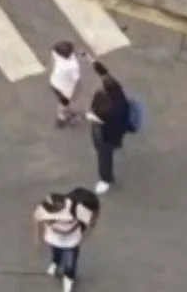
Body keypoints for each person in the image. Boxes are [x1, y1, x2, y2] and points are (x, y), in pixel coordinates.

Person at [33, 190, 96, 291]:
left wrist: (84, 236)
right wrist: (37, 238)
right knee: (56, 252)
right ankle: (55, 264)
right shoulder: (43, 210)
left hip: (71, 241)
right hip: (54, 238)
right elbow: (37, 221)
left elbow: (89, 222)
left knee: (70, 264)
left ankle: (68, 281)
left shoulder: (76, 209)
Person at [84, 63, 129, 195]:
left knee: (104, 156)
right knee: (108, 149)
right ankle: (106, 177)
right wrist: (94, 63)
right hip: (115, 131)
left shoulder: (109, 108)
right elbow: (107, 77)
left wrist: (91, 117)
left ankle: (106, 178)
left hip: (105, 133)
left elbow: (102, 121)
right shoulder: (120, 98)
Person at [49, 40, 86, 127]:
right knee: (63, 102)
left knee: (62, 101)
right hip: (65, 88)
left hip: (54, 81)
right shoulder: (72, 66)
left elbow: (53, 62)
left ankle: (64, 112)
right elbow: (75, 78)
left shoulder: (55, 53)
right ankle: (61, 117)